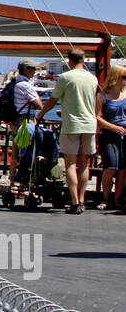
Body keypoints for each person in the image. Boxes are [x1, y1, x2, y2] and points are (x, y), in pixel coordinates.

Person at [37, 49, 98, 213]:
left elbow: (52, 100)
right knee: (84, 164)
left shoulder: (66, 77)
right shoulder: (93, 78)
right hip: (90, 124)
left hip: (72, 124)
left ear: (69, 61)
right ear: (83, 60)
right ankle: (83, 199)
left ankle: (75, 201)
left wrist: (41, 114)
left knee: (70, 164)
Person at [5, 60, 43, 192]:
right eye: (33, 69)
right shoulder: (25, 85)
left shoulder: (13, 83)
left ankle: (12, 184)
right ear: (26, 69)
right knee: (25, 154)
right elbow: (39, 105)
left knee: (15, 154)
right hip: (26, 122)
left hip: (15, 121)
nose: (34, 72)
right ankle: (21, 183)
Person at [95, 64, 126, 210]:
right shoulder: (103, 95)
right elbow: (97, 117)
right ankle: (106, 198)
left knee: (123, 169)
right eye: (124, 77)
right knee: (110, 167)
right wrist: (114, 128)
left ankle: (117, 199)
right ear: (116, 78)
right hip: (109, 134)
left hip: (124, 134)